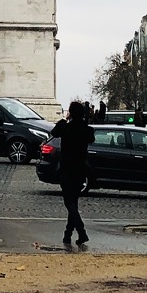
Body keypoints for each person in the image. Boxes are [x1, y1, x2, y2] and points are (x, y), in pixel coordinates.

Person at [50, 100, 92, 248]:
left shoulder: (65, 128)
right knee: (73, 202)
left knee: (69, 203)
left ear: (71, 113)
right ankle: (68, 235)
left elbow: (53, 133)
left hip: (67, 170)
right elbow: (90, 139)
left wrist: (64, 120)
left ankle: (82, 232)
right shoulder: (87, 130)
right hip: (80, 171)